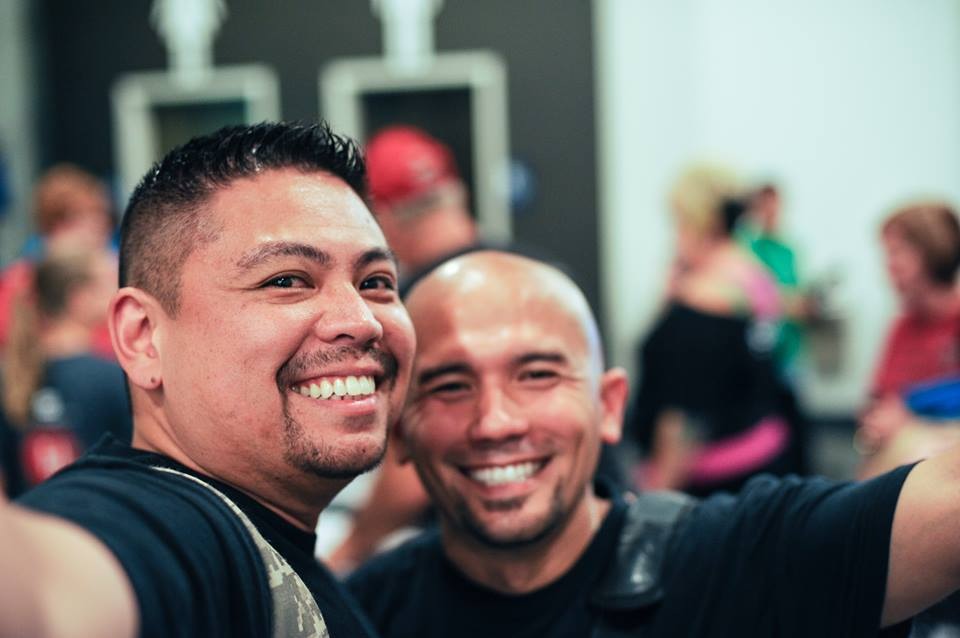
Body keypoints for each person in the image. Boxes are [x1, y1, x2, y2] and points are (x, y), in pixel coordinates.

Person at [349, 249, 960, 637]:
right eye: (450, 386)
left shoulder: (733, 563)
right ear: (400, 429)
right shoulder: (356, 616)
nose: (495, 422)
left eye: (536, 375)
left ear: (610, 406)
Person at [0, 121, 415, 638]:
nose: (362, 320)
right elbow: (48, 595)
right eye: (286, 280)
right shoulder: (174, 526)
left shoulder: (301, 559)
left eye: (375, 282)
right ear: (142, 337)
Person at [628, 163, 800, 496]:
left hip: (713, 479)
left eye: (678, 222)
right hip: (765, 454)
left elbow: (683, 417)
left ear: (701, 222)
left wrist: (656, 496)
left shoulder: (702, 301)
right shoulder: (755, 276)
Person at [0, 247, 130, 497]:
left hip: (27, 517)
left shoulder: (11, 374)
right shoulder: (113, 379)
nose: (119, 292)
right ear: (79, 298)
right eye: (110, 282)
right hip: (90, 519)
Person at [857, 201, 960, 479]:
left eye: (896, 253)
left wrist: (912, 406)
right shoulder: (903, 326)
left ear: (932, 251)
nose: (888, 268)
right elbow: (879, 396)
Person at [0, 164, 116, 358]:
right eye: (84, 218)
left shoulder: (109, 271)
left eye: (101, 217)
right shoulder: (18, 282)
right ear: (56, 225)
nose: (99, 229)